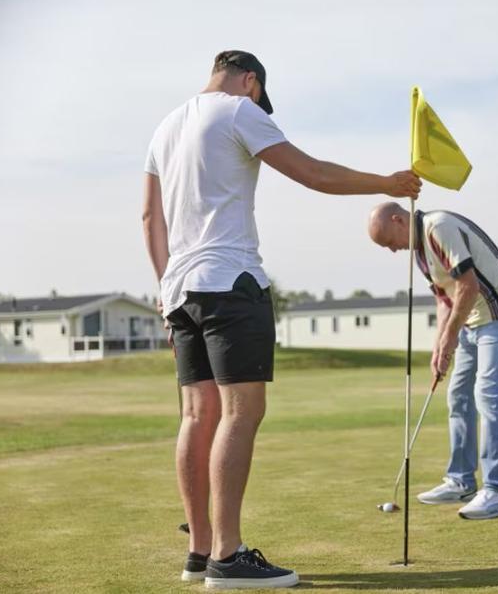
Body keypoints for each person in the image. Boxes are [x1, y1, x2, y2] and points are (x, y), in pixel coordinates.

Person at [142, 50, 421, 589]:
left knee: (198, 414)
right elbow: (313, 174)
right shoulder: (240, 109)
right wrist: (386, 183)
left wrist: (164, 287)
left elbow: (150, 216)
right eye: (256, 93)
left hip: (179, 290)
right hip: (230, 282)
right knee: (241, 411)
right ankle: (228, 556)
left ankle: (199, 552)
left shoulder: (164, 126)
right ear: (251, 80)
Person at [367, 202, 498, 520]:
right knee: (458, 395)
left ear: (399, 220)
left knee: (488, 397)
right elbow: (445, 299)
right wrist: (439, 345)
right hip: (470, 320)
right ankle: (461, 480)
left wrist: (451, 335)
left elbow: (469, 286)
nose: (392, 250)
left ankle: (497, 492)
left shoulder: (439, 228)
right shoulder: (421, 252)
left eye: (389, 242)